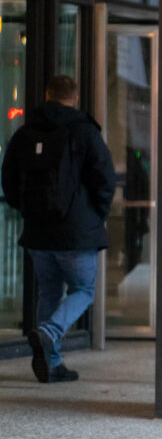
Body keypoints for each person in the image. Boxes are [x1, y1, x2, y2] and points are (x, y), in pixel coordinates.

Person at [1, 75, 116, 383]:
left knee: (49, 292)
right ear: (75, 98)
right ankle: (50, 333)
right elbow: (105, 178)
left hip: (39, 232)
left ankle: (51, 364)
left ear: (47, 95)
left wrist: (25, 209)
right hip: (77, 233)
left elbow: (8, 177)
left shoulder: (25, 133)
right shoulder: (84, 132)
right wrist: (98, 214)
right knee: (83, 290)